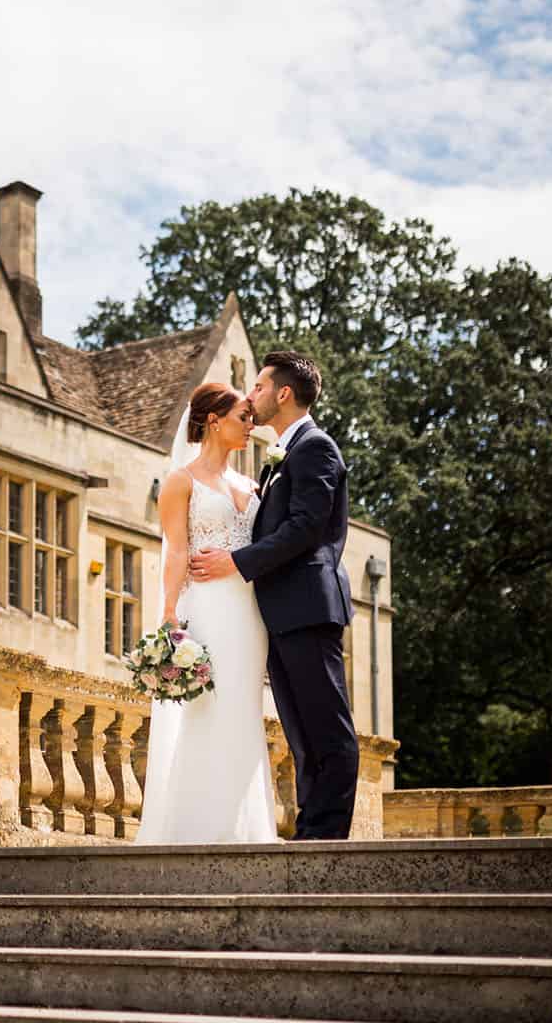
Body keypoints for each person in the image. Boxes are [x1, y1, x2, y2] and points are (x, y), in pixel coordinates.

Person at [191, 350, 358, 840]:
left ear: (283, 393)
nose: (252, 395)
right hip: (281, 614)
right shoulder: (284, 452)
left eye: (259, 387)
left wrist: (236, 563)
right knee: (301, 733)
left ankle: (328, 837)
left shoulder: (316, 447)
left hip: (308, 607)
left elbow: (307, 527)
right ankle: (312, 831)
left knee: (327, 728)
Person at [135, 382, 279, 844]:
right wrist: (169, 615)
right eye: (243, 417)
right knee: (208, 711)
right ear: (214, 421)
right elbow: (176, 553)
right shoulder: (181, 482)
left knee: (243, 712)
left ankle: (247, 830)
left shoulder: (252, 485)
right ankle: (197, 830)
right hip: (208, 608)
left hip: (249, 614)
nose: (251, 425)